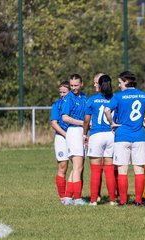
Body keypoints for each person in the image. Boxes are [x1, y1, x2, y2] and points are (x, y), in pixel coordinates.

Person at [104, 71, 145, 206]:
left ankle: (123, 201)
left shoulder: (118, 96)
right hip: (139, 136)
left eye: (120, 82)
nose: (119, 85)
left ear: (126, 82)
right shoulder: (144, 95)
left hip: (122, 136)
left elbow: (106, 110)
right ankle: (138, 201)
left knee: (122, 170)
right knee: (139, 170)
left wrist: (112, 123)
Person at [83, 74, 117, 206]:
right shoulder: (115, 98)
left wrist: (85, 134)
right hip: (111, 135)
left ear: (100, 84)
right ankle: (113, 200)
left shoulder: (92, 99)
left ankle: (93, 200)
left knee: (96, 170)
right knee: (109, 169)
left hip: (97, 135)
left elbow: (86, 120)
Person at [61, 74, 88, 206]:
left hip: (81, 132)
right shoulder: (69, 98)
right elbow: (65, 117)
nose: (73, 88)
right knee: (78, 167)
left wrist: (85, 132)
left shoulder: (83, 96)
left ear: (81, 84)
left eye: (76, 85)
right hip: (73, 131)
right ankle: (77, 198)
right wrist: (82, 123)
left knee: (77, 167)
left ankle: (68, 197)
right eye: (71, 85)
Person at [50, 80, 72, 205]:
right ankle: (62, 197)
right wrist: (66, 135)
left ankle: (73, 195)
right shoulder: (57, 105)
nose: (62, 94)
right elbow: (54, 123)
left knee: (77, 167)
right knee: (63, 166)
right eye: (60, 92)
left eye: (65, 92)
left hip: (75, 137)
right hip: (61, 138)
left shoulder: (77, 103)